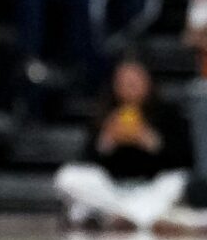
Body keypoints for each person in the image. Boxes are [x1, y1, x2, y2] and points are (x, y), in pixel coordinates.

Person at [54, 59, 203, 231]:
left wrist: (149, 140)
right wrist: (107, 140)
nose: (129, 87)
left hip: (151, 188)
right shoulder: (104, 113)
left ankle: (114, 217)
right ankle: (141, 218)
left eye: (135, 82)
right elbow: (86, 161)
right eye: (123, 83)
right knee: (67, 177)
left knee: (177, 181)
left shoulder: (168, 113)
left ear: (148, 83)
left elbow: (183, 160)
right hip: (112, 189)